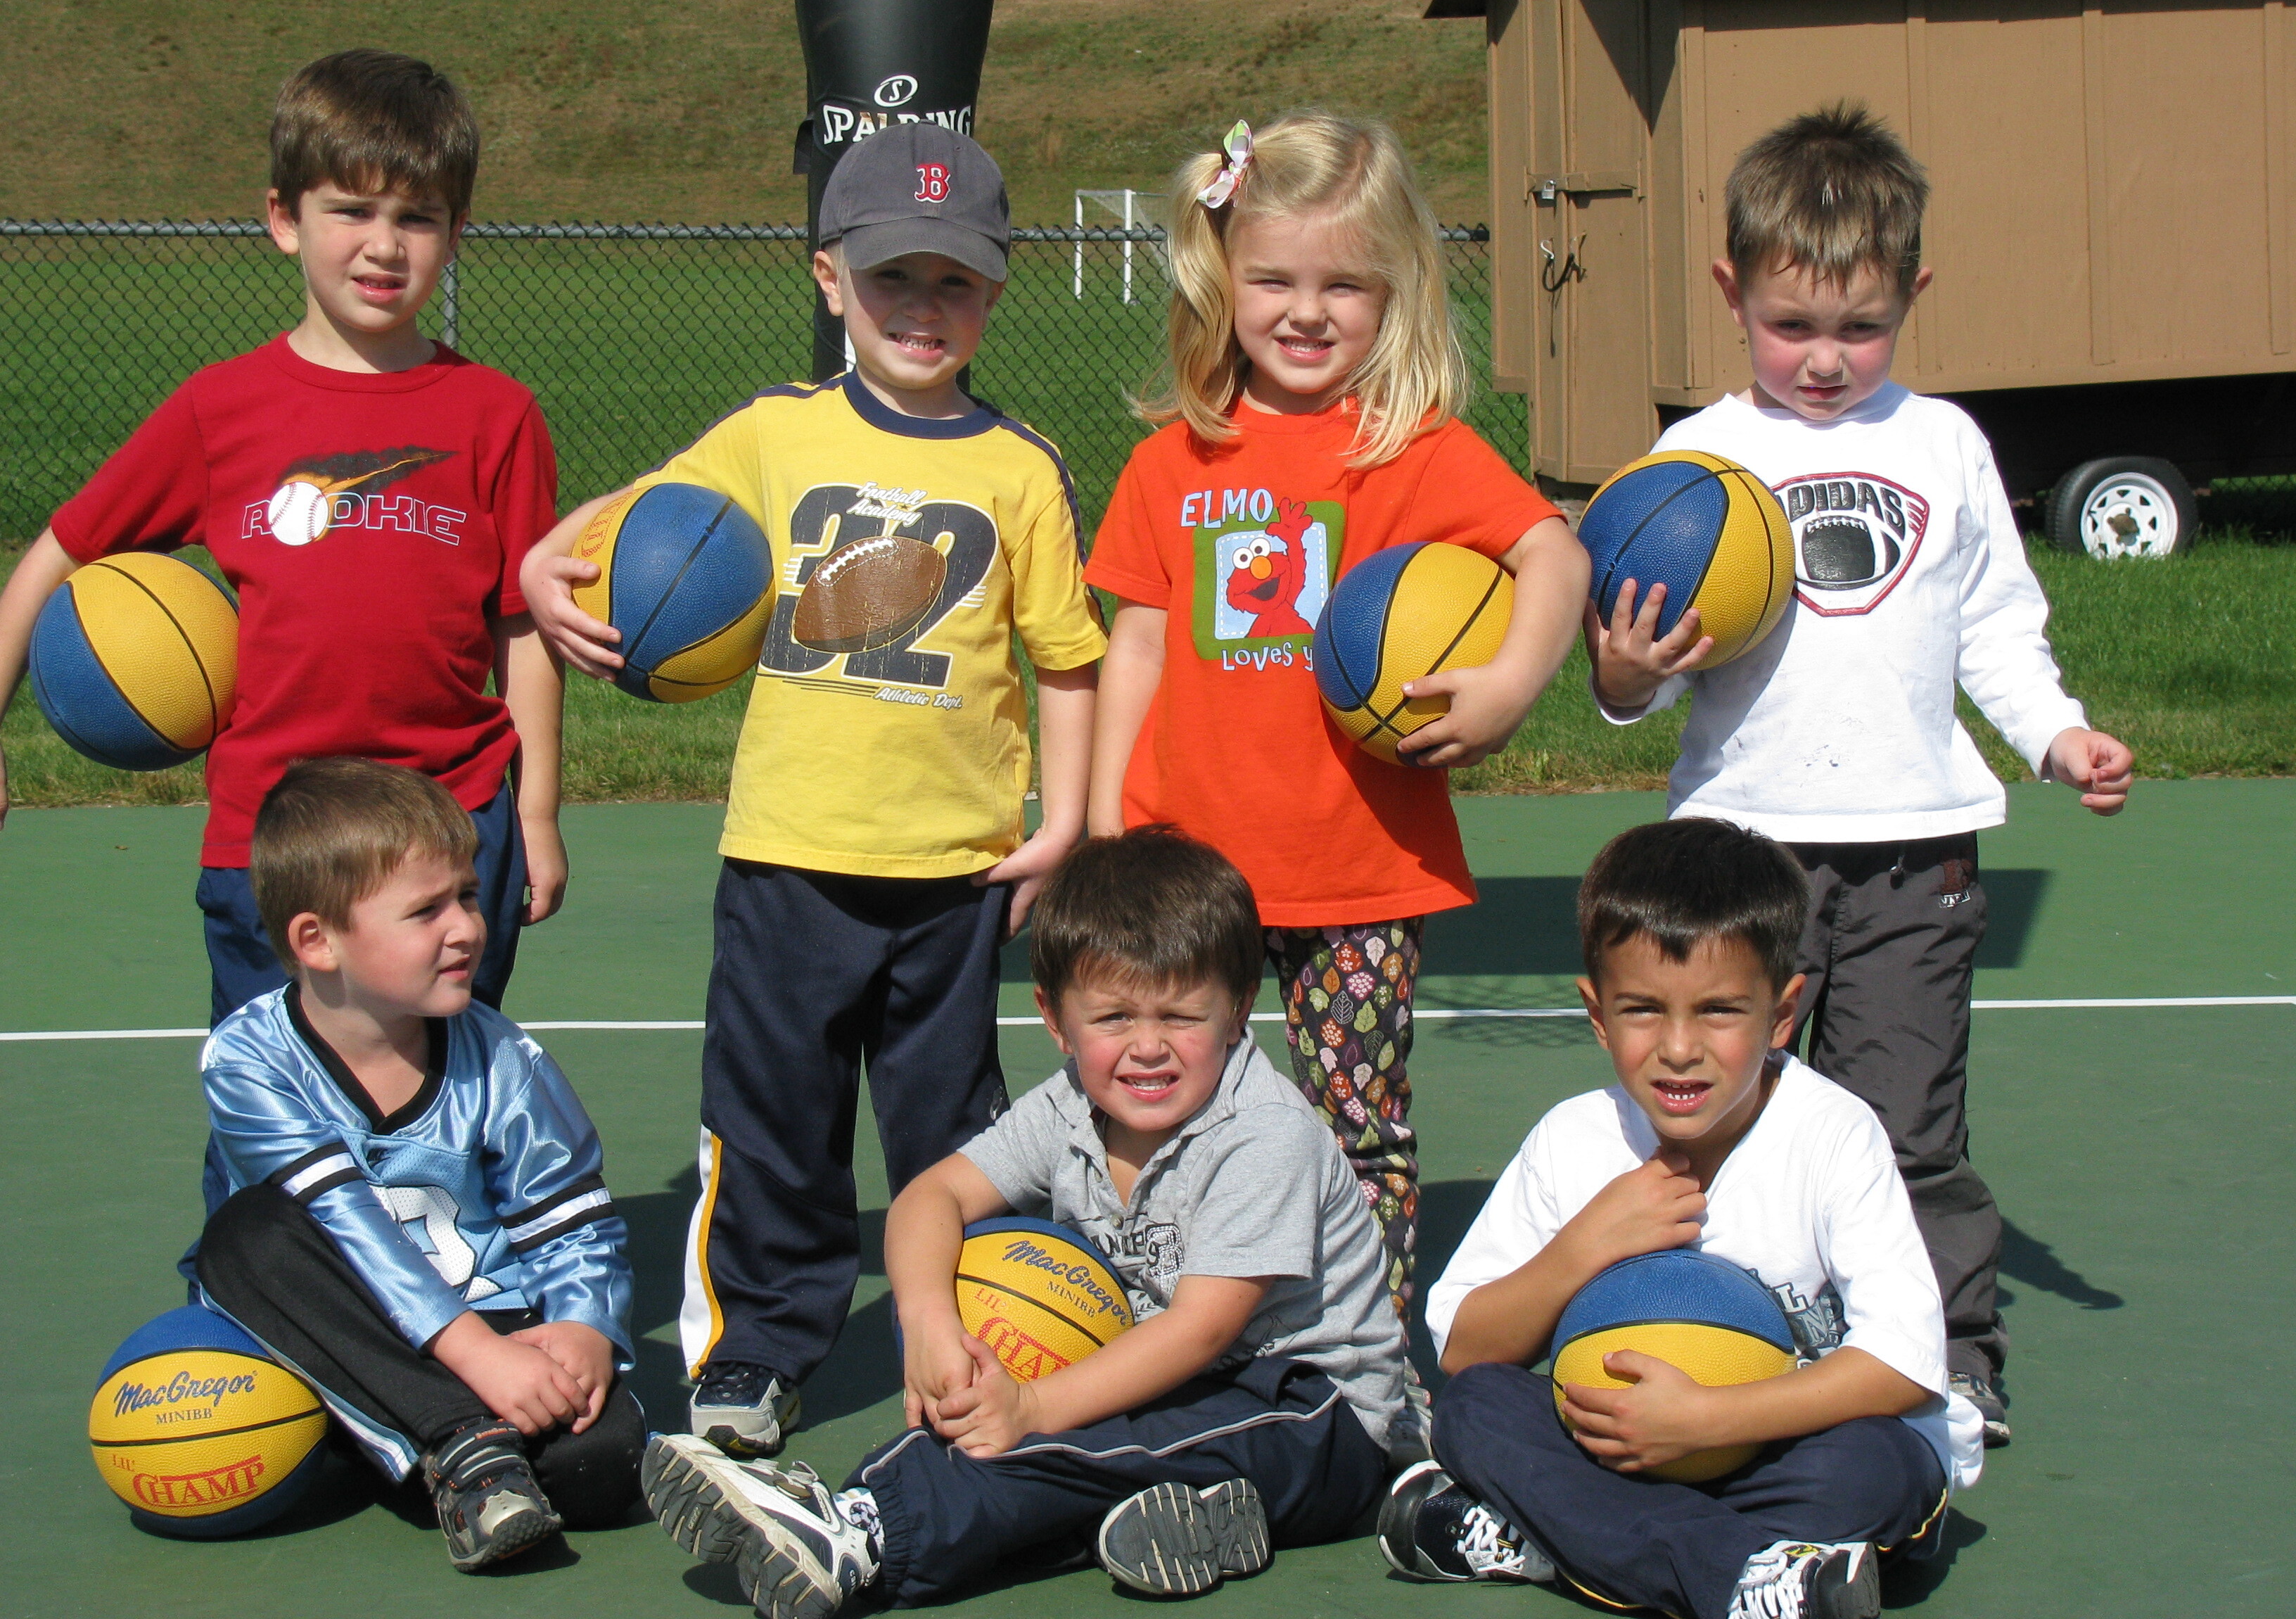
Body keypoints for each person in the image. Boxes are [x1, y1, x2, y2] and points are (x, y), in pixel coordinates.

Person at [519, 123, 1105, 1459]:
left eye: (952, 281)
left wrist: (1062, 825)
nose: (921, 305)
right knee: (772, 1122)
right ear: (829, 276)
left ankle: (974, 1342)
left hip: (955, 868)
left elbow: (1066, 659)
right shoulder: (773, 434)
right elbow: (653, 512)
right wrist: (552, 553)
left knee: (953, 1127)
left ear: (994, 293)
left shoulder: (1020, 466)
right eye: (892, 274)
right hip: (789, 856)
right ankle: (760, 1352)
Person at [1585, 103, 2133, 1445]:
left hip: (1911, 847)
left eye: (1858, 327)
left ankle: (1939, 1352)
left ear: (1910, 296)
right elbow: (1632, 679)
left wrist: (2053, 732)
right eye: (1789, 325)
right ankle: (1704, 1327)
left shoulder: (1942, 444)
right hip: (1736, 855)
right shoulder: (1691, 466)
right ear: (1730, 291)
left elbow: (1994, 621)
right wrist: (1618, 668)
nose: (1823, 360)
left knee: (1903, 1132)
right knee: (1708, 1119)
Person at [1085, 112, 1589, 1324]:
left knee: (1355, 1122)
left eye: (1341, 285)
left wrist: (1510, 684)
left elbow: (1551, 554)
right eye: (1273, 279)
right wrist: (1104, 826)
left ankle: (1355, 1347)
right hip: (1185, 864)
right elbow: (1137, 644)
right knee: (1155, 1110)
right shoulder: (1172, 461)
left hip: (1360, 868)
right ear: (1223, 279)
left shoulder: (1412, 449)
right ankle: (1154, 1322)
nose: (1305, 312)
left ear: (1392, 292)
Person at [639, 827, 1411, 1615]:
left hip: (1318, 1416)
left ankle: (860, 1534)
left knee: (1064, 1439)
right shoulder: (1071, 1106)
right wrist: (933, 1329)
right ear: (1054, 1019)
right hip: (1187, 1391)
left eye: (1181, 1015)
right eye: (1112, 1018)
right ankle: (1189, 1521)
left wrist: (1033, 1408)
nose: (1148, 1047)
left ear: (1239, 1010)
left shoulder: (1262, 1133)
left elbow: (1201, 1333)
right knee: (1033, 1433)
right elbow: (929, 1200)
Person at [0, 51, 566, 1027]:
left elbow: (527, 628)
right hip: (272, 829)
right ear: (283, 220)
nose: (383, 245)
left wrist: (540, 810)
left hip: (450, 821)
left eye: (416, 217)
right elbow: (56, 555)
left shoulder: (496, 414)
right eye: (350, 210)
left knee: (437, 1106)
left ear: (456, 233)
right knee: (280, 1121)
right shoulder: (219, 410)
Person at [1382, 817, 1982, 1619]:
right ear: (1597, 1015)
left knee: (1880, 1468)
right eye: (1642, 1010)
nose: (1678, 1047)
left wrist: (1708, 1420)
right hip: (1619, 1450)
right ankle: (1747, 1574)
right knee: (1476, 1413)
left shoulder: (1830, 1132)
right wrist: (1580, 1250)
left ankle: (1559, 1537)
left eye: (1719, 1011)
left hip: (1776, 1448)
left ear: (1783, 1014)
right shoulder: (1575, 1141)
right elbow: (1468, 1349)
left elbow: (1904, 1364)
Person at [191, 757, 641, 1571]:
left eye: (468, 896)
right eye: (426, 910)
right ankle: (465, 1443)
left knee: (605, 1455)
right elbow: (338, 1218)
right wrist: (477, 1361)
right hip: (330, 1332)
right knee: (244, 1237)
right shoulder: (249, 1058)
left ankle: (434, 1453)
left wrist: (585, 1324)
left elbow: (573, 1217)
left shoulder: (503, 1060)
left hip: (480, 1327)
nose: (467, 927)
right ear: (317, 941)